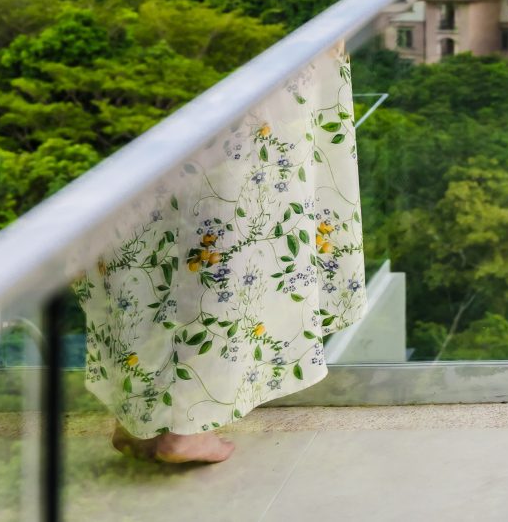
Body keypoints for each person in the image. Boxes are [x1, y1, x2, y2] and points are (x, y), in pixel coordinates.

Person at [75, 38, 365, 465]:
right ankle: (186, 428)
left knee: (147, 237)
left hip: (155, 56)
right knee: (229, 231)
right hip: (253, 65)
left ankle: (141, 416)